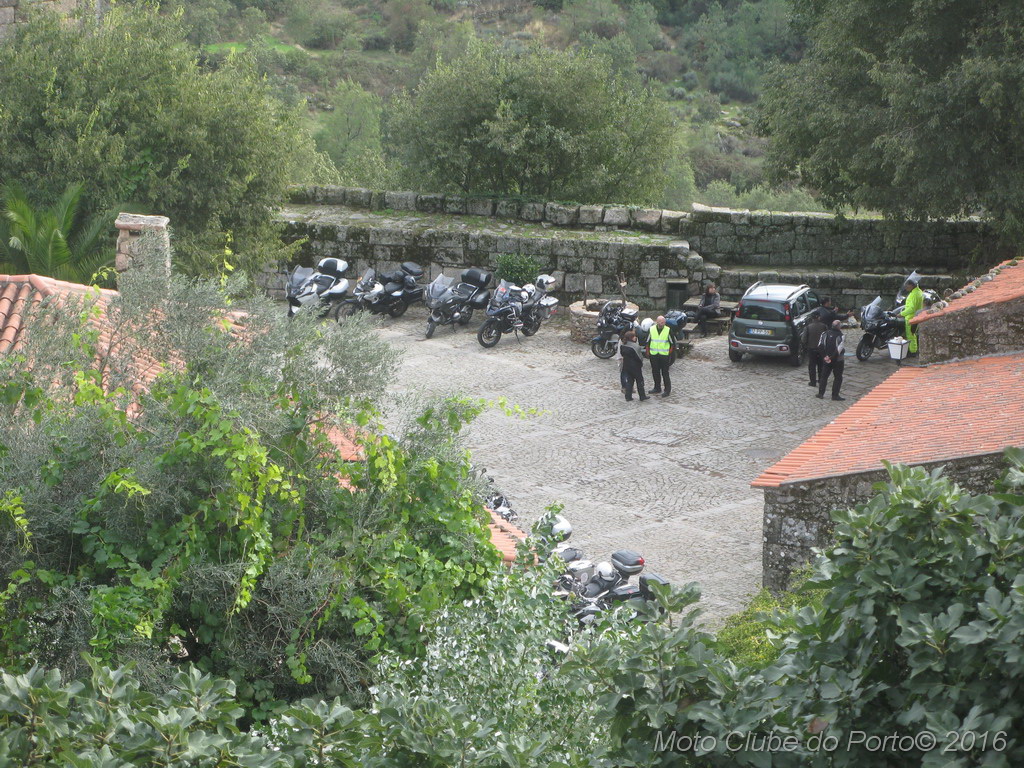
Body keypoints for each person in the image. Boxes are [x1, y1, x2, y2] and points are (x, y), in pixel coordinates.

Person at [816, 320, 846, 401]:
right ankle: (835, 395)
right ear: (839, 326)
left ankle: (820, 393)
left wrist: (825, 357)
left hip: (826, 359)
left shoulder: (824, 334)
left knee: (824, 376)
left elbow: (820, 346)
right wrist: (831, 358)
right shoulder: (841, 336)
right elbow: (839, 349)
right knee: (838, 377)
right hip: (838, 360)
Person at [646, 315, 673, 397]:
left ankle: (667, 390)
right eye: (661, 322)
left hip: (664, 355)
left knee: (665, 373)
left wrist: (669, 353)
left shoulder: (668, 330)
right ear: (657, 322)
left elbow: (672, 343)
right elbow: (648, 341)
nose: (662, 323)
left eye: (663, 322)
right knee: (655, 372)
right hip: (654, 354)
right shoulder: (651, 329)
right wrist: (648, 352)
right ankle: (657, 387)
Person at [619, 330, 648, 401]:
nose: (635, 337)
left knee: (630, 381)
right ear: (631, 338)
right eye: (634, 336)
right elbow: (639, 357)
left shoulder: (623, 345)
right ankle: (642, 396)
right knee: (639, 381)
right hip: (635, 366)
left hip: (626, 366)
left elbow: (622, 354)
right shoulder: (635, 346)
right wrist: (640, 363)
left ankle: (628, 396)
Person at [802, 309, 828, 388]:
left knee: (812, 366)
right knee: (821, 365)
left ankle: (813, 382)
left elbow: (803, 339)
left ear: (812, 318)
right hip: (821, 349)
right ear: (819, 317)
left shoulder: (808, 327)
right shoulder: (824, 326)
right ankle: (821, 380)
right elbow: (827, 338)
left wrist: (806, 345)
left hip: (811, 349)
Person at [901, 276, 924, 355]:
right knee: (913, 334)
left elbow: (911, 308)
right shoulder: (919, 291)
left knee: (911, 335)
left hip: (911, 317)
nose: (906, 287)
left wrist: (901, 314)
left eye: (907, 286)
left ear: (911, 285)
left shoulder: (914, 295)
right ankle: (913, 349)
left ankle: (912, 351)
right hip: (916, 316)